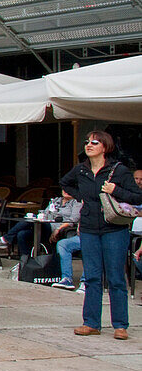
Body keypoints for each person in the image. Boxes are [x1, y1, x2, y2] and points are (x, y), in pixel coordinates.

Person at [61, 130, 142, 340]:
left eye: (94, 142)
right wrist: (81, 198)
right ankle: (91, 322)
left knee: (115, 277)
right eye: (87, 142)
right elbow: (65, 183)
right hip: (89, 227)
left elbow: (137, 196)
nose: (89, 145)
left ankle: (120, 325)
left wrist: (115, 189)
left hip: (114, 228)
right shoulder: (81, 170)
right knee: (93, 276)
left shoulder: (119, 170)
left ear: (105, 146)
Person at [0, 193, 80, 258]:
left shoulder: (76, 203)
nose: (65, 191)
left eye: (69, 189)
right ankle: (25, 262)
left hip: (55, 228)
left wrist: (58, 229)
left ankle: (5, 239)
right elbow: (45, 213)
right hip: (44, 223)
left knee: (28, 221)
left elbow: (73, 220)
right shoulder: (55, 200)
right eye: (64, 188)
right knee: (22, 234)